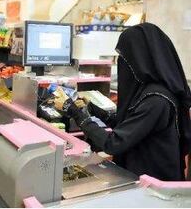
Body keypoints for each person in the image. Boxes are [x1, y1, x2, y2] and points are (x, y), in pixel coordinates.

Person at [54, 23, 191, 181]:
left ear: (140, 59)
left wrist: (75, 112)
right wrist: (92, 109)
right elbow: (128, 124)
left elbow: (113, 144)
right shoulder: (150, 90)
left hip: (152, 189)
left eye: (125, 57)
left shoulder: (156, 100)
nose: (122, 62)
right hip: (142, 177)